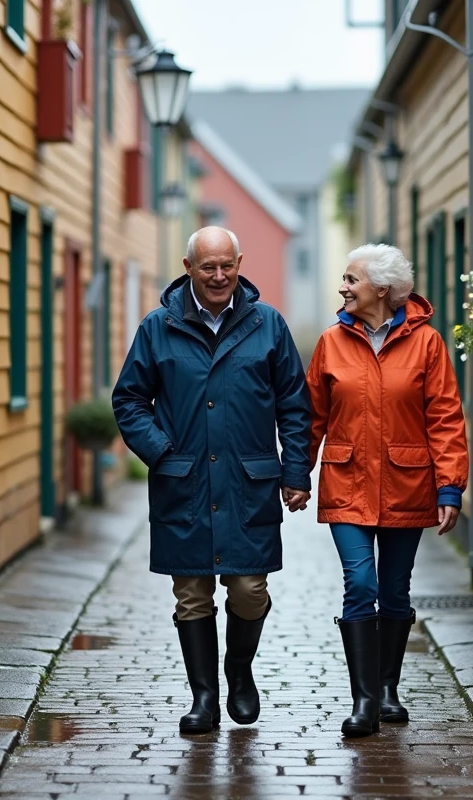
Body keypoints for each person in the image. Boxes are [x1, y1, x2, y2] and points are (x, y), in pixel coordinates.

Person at [112, 226, 312, 735]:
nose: (220, 276)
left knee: (249, 588)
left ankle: (239, 674)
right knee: (192, 594)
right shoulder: (158, 328)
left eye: (228, 265)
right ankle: (204, 697)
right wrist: (161, 452)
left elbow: (294, 405)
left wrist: (295, 472)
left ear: (240, 263)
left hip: (249, 485)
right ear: (188, 267)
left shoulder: (268, 325)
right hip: (186, 484)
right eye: (208, 267)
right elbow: (129, 400)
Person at [305, 243, 468, 738]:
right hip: (348, 482)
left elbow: (444, 418)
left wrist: (449, 488)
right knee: (362, 585)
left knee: (395, 590)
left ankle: (389, 687)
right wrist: (295, 474)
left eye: (351, 280)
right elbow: (311, 416)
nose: (343, 288)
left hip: (406, 483)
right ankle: (364, 700)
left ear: (382, 288)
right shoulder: (331, 342)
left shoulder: (428, 344)